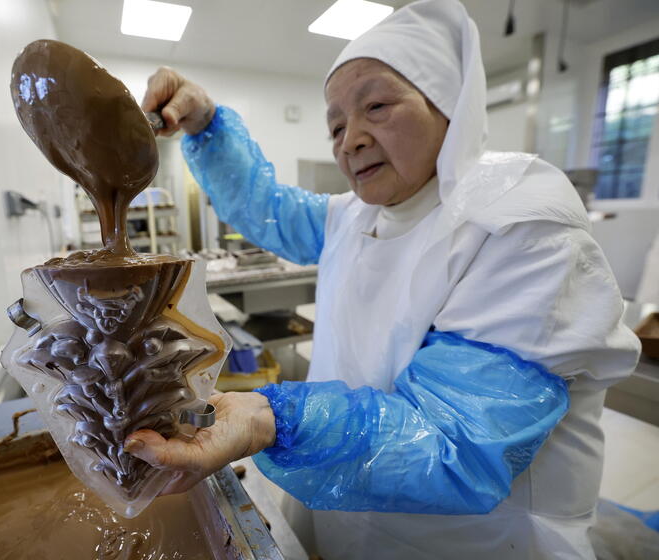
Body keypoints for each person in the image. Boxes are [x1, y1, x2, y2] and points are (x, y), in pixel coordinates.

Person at [123, 1, 641, 557]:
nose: (351, 140)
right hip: (353, 513)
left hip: (477, 540)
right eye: (337, 125)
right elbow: (264, 205)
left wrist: (271, 419)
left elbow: (457, 439)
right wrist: (205, 124)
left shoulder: (518, 221)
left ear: (449, 106)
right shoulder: (357, 215)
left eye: (377, 106)